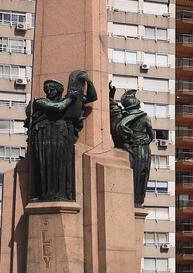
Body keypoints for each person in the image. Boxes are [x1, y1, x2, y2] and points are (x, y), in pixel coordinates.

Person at [26, 70, 97, 201]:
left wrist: (88, 81)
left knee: (60, 164)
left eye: (52, 89)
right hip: (45, 135)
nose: (48, 92)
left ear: (58, 91)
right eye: (46, 89)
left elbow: (92, 98)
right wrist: (71, 98)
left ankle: (61, 194)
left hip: (60, 135)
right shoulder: (39, 102)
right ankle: (44, 195)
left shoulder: (68, 102)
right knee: (44, 164)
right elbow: (59, 107)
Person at [109, 82, 153, 207]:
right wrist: (145, 140)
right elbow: (151, 134)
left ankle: (130, 198)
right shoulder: (144, 117)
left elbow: (113, 109)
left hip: (127, 148)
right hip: (142, 148)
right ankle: (136, 199)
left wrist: (111, 97)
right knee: (141, 173)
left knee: (133, 172)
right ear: (137, 105)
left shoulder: (121, 116)